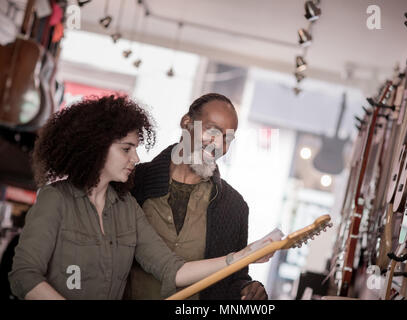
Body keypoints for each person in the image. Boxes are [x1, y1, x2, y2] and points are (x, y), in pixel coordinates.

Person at [8, 95, 266, 300]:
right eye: (126, 149)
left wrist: (243, 255)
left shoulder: (126, 207)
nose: (136, 158)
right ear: (95, 147)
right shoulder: (60, 198)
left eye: (227, 138)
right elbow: (24, 275)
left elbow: (172, 269)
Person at [124, 93, 269, 300]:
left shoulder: (234, 207)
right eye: (212, 130)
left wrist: (247, 288)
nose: (218, 144)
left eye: (227, 138)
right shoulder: (135, 182)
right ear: (187, 122)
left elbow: (233, 278)